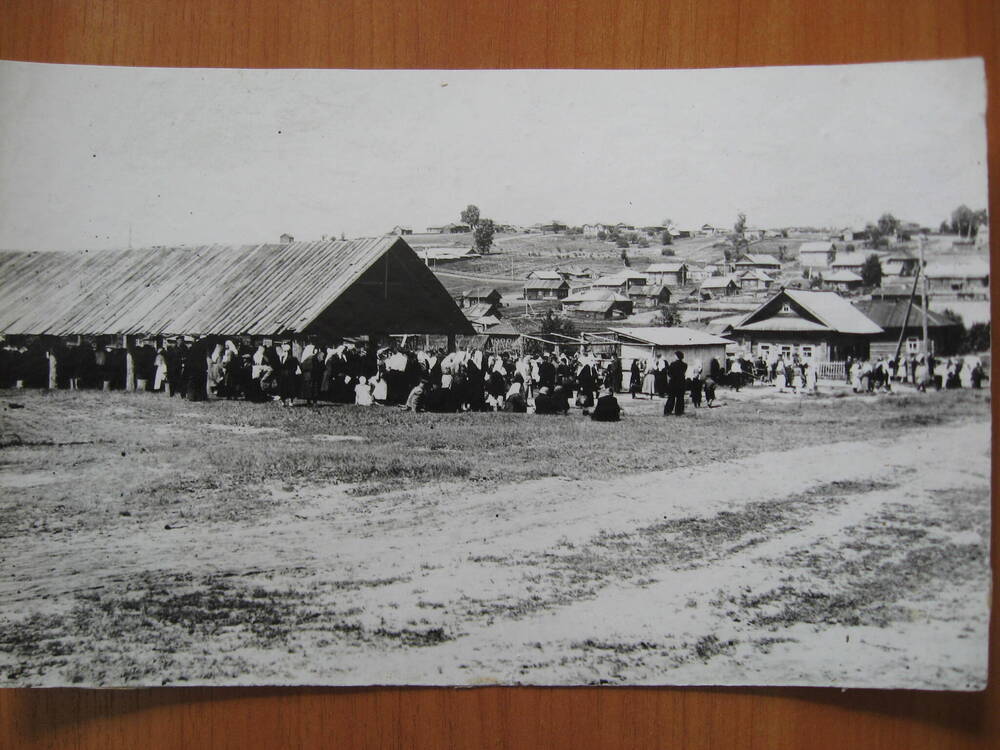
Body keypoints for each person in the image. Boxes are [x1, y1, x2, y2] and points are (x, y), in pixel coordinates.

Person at [664, 350, 687, 416]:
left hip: (673, 382)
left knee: (671, 397)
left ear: (677, 356)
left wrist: (671, 376)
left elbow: (669, 373)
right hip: (681, 382)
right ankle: (679, 411)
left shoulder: (673, 364)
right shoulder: (685, 365)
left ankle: (668, 411)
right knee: (680, 398)